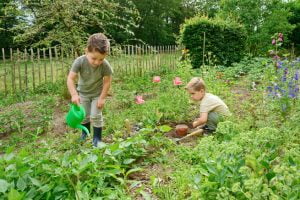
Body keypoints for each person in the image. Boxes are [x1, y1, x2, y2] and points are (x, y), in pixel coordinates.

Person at [67, 33, 113, 147]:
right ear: (86, 51)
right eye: (94, 58)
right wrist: (74, 94)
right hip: (83, 94)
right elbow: (70, 78)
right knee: (85, 115)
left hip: (97, 94)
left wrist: (102, 98)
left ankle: (97, 139)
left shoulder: (105, 65)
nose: (97, 62)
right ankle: (85, 135)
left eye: (101, 59)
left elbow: (107, 82)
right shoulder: (80, 61)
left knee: (95, 115)